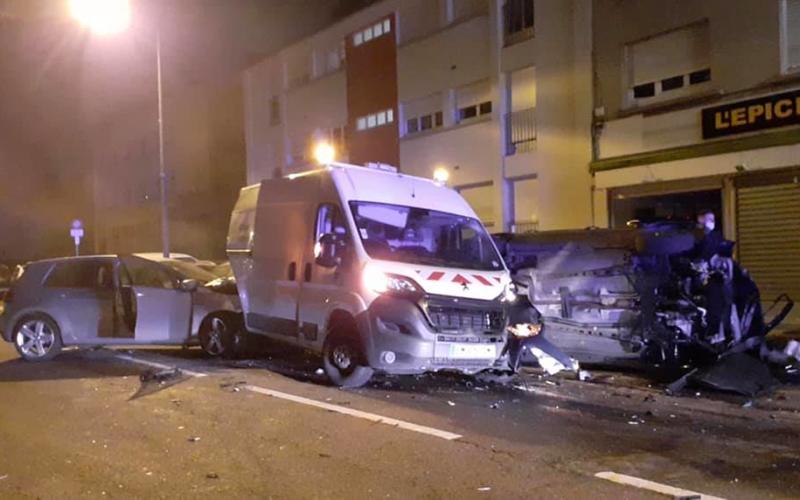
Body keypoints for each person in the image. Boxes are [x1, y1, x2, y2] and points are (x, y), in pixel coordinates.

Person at [502, 277, 579, 376]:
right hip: (524, 323)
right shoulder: (528, 337)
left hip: (526, 324)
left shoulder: (529, 337)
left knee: (527, 345)